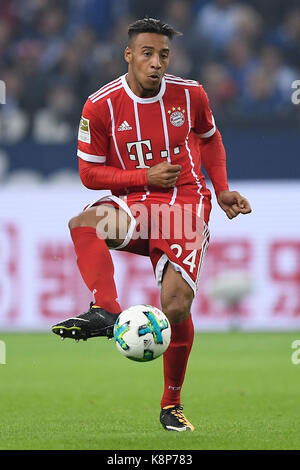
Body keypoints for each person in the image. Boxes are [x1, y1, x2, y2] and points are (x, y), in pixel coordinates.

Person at [52, 17, 251, 432]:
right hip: (137, 203)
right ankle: (105, 310)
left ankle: (171, 404)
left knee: (176, 306)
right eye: (147, 54)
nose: (156, 63)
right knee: (84, 223)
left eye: (163, 54)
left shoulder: (190, 94)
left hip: (185, 205)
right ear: (129, 55)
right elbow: (89, 173)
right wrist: (143, 178)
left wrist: (222, 189)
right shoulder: (100, 105)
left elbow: (210, 138)